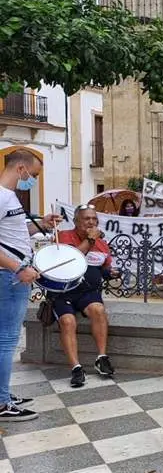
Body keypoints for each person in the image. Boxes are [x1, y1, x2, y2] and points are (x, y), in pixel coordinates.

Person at [0, 149, 61, 421]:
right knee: (6, 340)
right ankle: (2, 403)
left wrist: (41, 225)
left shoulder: (10, 197)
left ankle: (3, 394)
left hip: (12, 275)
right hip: (8, 277)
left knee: (6, 339)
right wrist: (18, 268)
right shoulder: (2, 196)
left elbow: (15, 233)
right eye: (33, 174)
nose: (33, 179)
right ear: (21, 168)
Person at [54, 206, 118, 388]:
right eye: (86, 219)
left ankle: (101, 358)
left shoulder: (102, 244)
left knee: (98, 309)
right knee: (67, 321)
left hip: (88, 292)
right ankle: (76, 368)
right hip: (63, 292)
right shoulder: (63, 237)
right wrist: (90, 240)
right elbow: (71, 260)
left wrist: (110, 273)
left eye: (94, 219)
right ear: (76, 221)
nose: (91, 222)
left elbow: (103, 268)